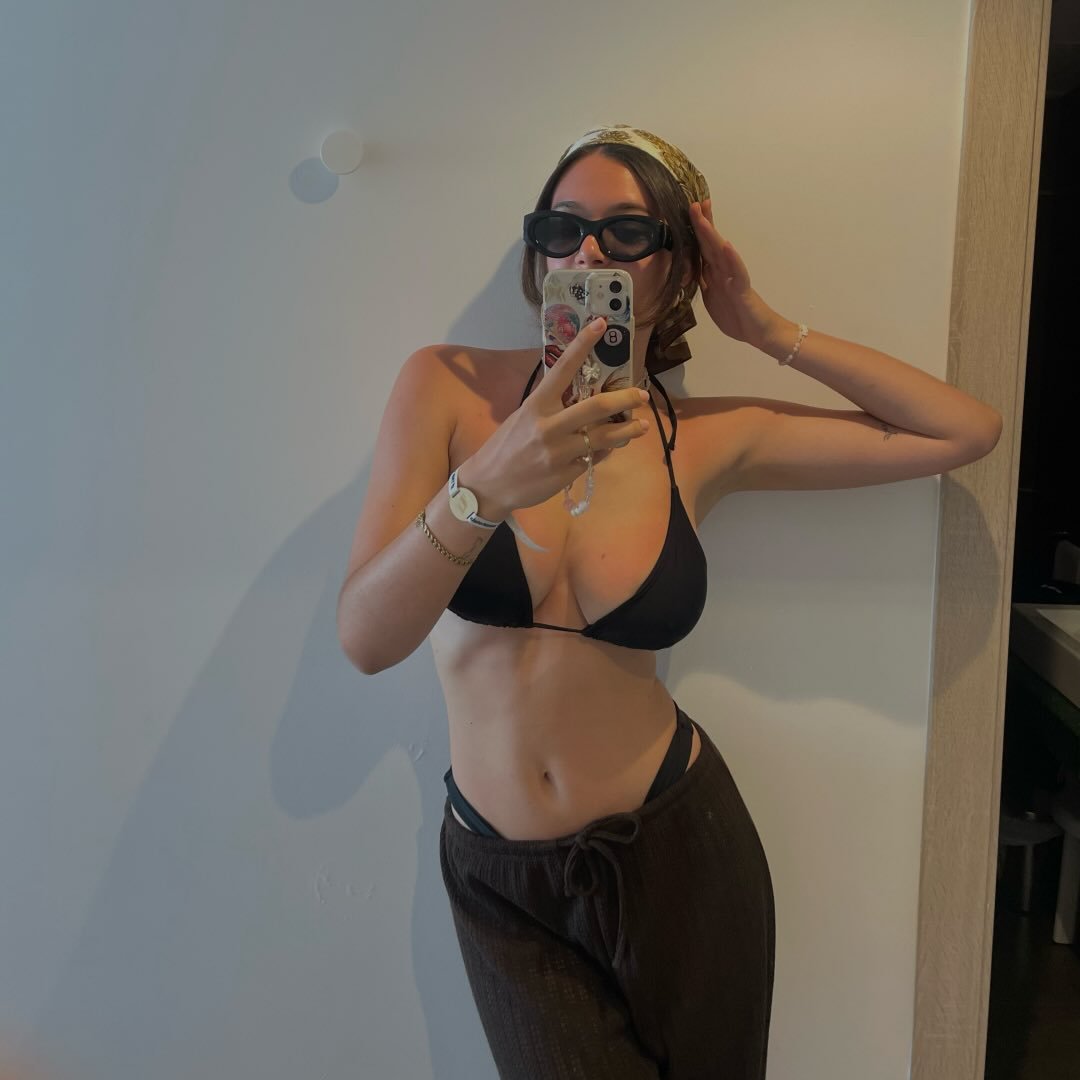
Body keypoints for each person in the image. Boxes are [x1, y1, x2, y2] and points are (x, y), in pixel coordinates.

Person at [336, 125, 1003, 1079]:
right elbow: (366, 640)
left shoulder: (700, 437)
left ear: (679, 266)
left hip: (680, 844)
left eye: (625, 233)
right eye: (561, 228)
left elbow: (963, 431)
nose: (586, 255)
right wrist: (482, 486)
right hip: (504, 879)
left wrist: (765, 329)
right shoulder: (446, 387)